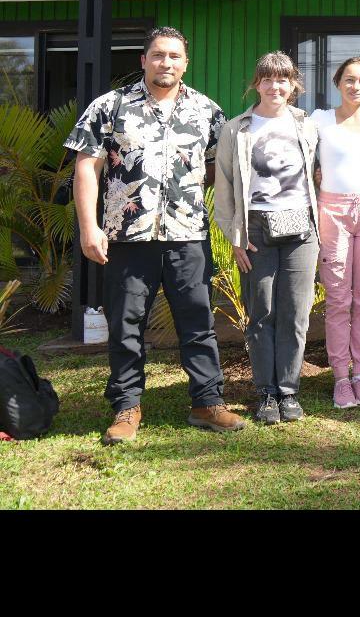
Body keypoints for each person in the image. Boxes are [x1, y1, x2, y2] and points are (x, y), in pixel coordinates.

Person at [68, 26, 245, 445]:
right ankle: (126, 407)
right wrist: (89, 227)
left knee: (198, 324)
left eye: (175, 57)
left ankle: (207, 402)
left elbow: (222, 172)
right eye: (159, 55)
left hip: (188, 236)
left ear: (186, 63)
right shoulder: (109, 107)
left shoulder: (207, 111)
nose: (167, 63)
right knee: (127, 325)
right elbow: (86, 168)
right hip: (127, 238)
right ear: (143, 60)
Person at [215, 52, 321, 424]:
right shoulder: (235, 129)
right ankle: (265, 393)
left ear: (293, 85)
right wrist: (235, 237)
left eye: (283, 79)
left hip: (302, 230)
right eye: (267, 79)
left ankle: (288, 391)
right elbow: (224, 187)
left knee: (295, 312)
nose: (275, 86)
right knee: (262, 312)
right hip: (256, 228)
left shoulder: (307, 125)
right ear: (256, 83)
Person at [310, 58, 360, 409]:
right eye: (348, 79)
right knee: (339, 297)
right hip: (334, 211)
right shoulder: (319, 120)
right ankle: (341, 378)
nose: (355, 86)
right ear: (337, 82)